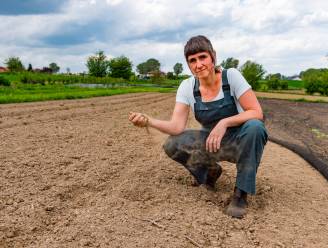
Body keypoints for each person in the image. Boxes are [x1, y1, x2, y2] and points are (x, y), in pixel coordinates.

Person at [129, 35, 268, 218]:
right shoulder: (187, 87)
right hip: (212, 142)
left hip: (241, 142)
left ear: (213, 57)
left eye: (203, 57)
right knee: (173, 144)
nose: (198, 64)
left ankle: (240, 193)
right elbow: (176, 127)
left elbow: (256, 112)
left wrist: (224, 122)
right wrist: (149, 121)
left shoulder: (231, 76)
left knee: (255, 127)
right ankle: (210, 171)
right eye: (192, 61)